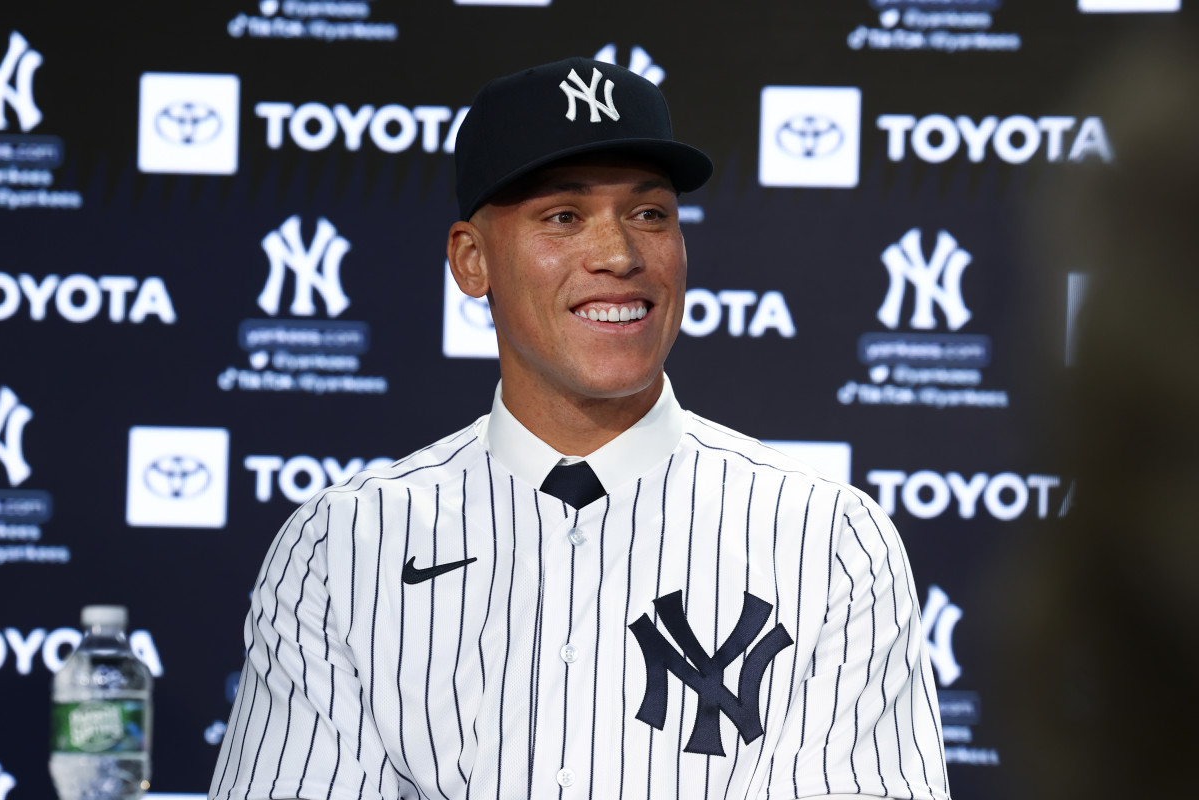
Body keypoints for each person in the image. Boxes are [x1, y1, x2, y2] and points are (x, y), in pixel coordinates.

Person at [208, 57, 950, 800]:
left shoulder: (828, 540)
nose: (620, 256)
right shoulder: (345, 547)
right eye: (563, 217)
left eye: (650, 215)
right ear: (472, 261)